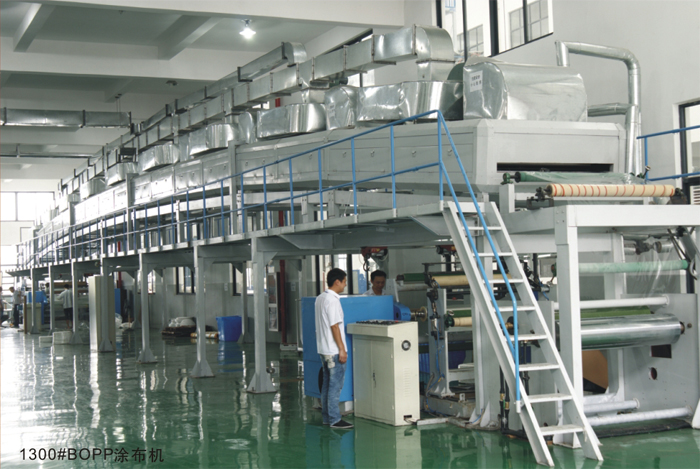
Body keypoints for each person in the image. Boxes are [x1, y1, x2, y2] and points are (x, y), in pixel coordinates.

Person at [315, 268, 353, 429]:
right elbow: (334, 326)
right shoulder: (332, 300)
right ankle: (335, 419)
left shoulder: (320, 298)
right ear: (337, 282)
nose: (345, 285)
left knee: (327, 384)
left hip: (324, 349)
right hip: (334, 351)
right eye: (344, 282)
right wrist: (342, 349)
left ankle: (327, 417)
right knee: (335, 387)